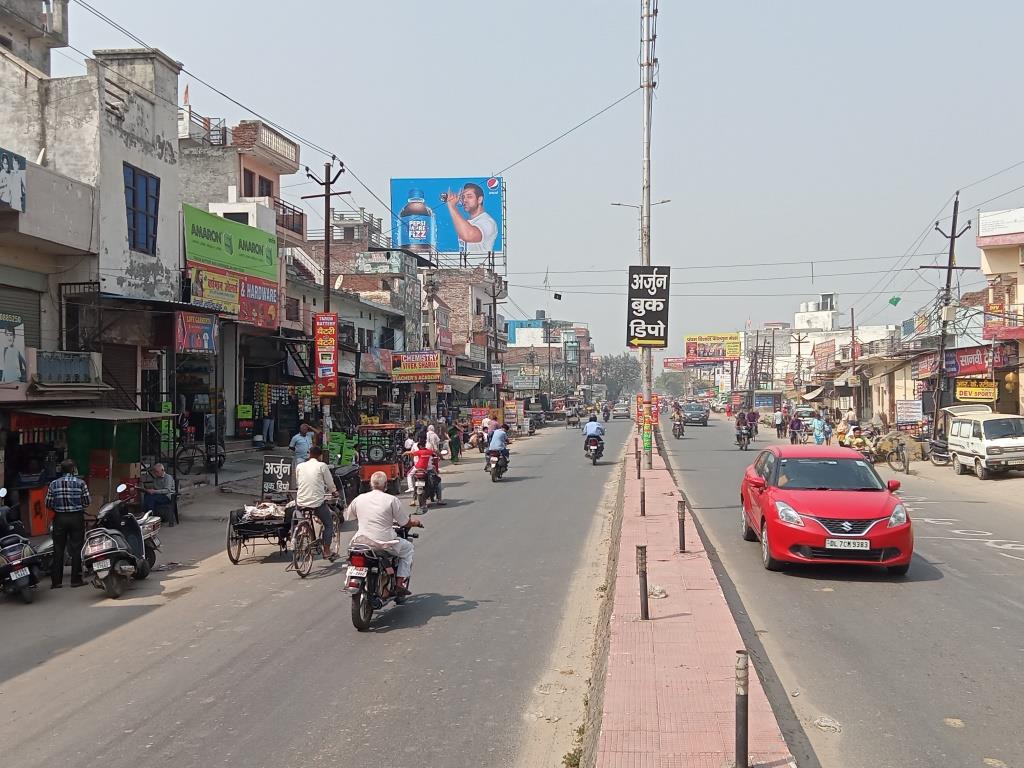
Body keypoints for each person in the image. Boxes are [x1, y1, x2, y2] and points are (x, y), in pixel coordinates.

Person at [344, 471, 423, 596]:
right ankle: (399, 583)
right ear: (386, 484)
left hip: (361, 541)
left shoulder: (359, 498)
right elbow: (403, 522)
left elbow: (349, 516)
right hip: (384, 542)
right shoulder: (391, 500)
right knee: (408, 549)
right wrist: (415, 523)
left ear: (371, 484)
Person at [45, 459, 90, 588]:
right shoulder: (80, 483)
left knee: (58, 548)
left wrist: (58, 508)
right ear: (73, 469)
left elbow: (48, 503)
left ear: (61, 470)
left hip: (60, 518)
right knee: (76, 548)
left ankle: (56, 582)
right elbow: (87, 501)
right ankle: (75, 580)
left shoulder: (53, 484)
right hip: (76, 517)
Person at [295, 446, 338, 561]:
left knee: (301, 516)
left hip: (301, 501)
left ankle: (303, 531)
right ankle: (327, 551)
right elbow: (330, 483)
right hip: (316, 502)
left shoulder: (299, 466)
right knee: (328, 524)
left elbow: (299, 482)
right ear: (320, 456)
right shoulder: (322, 466)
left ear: (309, 454)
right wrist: (334, 492)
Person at [444, 182, 499, 255]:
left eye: (469, 197)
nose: (465, 200)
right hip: (466, 266)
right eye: (463, 197)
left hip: (480, 265)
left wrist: (452, 206)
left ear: (480, 200)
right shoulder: (466, 223)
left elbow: (468, 235)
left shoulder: (488, 221)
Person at [404, 437, 444, 507]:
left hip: (417, 468)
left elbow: (410, 453)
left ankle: (412, 496)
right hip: (428, 468)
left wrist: (404, 453)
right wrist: (441, 456)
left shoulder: (416, 448)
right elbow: (435, 452)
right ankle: (439, 499)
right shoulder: (429, 449)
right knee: (438, 481)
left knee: (410, 476)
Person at [142, 463, 176, 527]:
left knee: (152, 498)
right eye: (155, 472)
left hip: (167, 496)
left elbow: (167, 490)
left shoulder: (168, 477)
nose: (156, 473)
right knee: (147, 495)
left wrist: (154, 491)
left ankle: (151, 517)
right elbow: (155, 488)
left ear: (162, 470)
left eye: (157, 472)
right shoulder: (156, 478)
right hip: (159, 495)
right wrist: (150, 490)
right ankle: (145, 513)